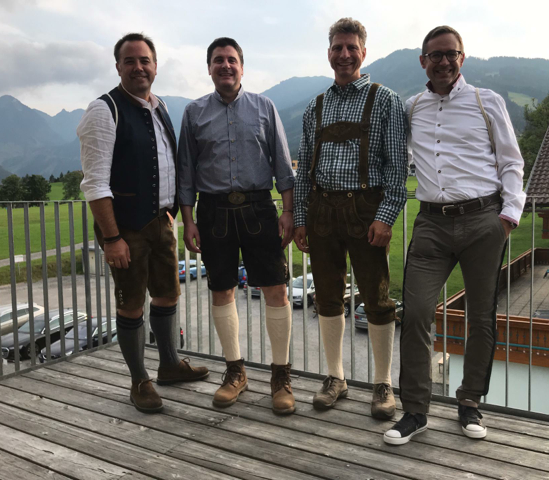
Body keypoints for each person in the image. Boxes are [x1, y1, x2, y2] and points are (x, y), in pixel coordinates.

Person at [384, 25, 526, 444]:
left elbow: (511, 162)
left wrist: (508, 217)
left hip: (484, 220)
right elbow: (393, 156)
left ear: (462, 58)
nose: (444, 61)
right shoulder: (412, 108)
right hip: (431, 223)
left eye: (452, 54)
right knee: (416, 312)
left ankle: (470, 403)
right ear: (423, 61)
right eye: (436, 54)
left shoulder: (487, 101)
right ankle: (415, 411)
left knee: (481, 316)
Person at [78, 33, 209, 413]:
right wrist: (111, 238)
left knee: (167, 294)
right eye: (130, 61)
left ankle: (169, 365)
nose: (138, 67)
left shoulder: (160, 105)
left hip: (160, 222)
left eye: (144, 60)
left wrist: (172, 214)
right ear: (118, 67)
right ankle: (139, 380)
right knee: (132, 305)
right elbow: (95, 183)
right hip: (126, 229)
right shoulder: (104, 110)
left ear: (155, 65)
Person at [294, 18, 408, 419]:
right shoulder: (314, 106)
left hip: (366, 210)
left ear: (363, 52)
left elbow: (397, 167)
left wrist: (386, 216)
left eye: (351, 48)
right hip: (322, 210)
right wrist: (300, 218)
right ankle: (335, 377)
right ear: (329, 53)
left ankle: (383, 384)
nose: (344, 55)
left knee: (377, 298)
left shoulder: (385, 99)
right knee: (327, 296)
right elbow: (303, 171)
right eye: (337, 48)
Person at [178, 37, 296, 415]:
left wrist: (289, 211)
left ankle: (281, 376)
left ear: (242, 67)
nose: (225, 66)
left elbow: (283, 164)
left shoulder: (265, 106)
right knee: (221, 290)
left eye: (231, 60)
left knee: (276, 289)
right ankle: (235, 372)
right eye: (218, 60)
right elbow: (185, 172)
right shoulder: (193, 113)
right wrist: (188, 221)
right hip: (213, 213)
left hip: (259, 208)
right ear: (209, 68)